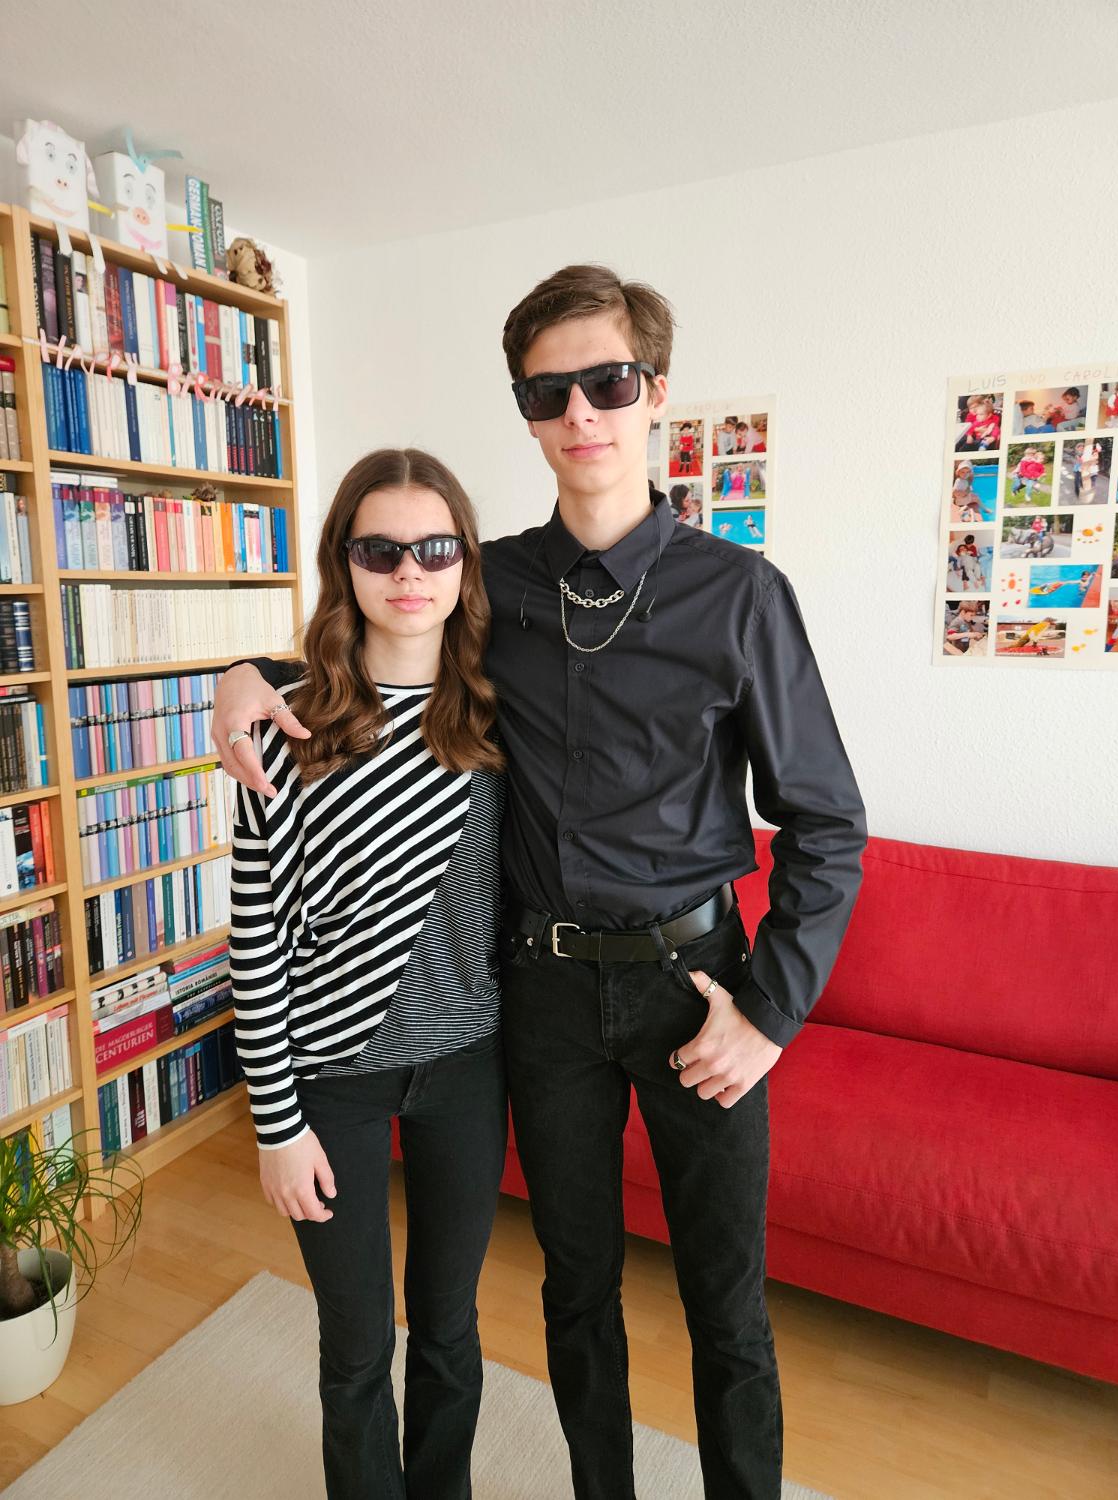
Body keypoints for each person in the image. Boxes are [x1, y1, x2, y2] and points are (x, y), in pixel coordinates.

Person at [215, 264, 867, 1500]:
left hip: (697, 990)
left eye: (608, 383)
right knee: (576, 1291)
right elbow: (375, 632)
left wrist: (771, 1010)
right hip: (545, 998)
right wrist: (244, 676)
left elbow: (828, 822)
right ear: (524, 410)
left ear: (654, 393)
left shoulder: (740, 595)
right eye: (548, 390)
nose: (581, 413)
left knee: (727, 1305)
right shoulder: (492, 583)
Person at [228, 448, 509, 1500]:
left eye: (434, 548)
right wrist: (274, 1125)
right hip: (328, 1082)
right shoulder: (287, 725)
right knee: (355, 1347)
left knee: (448, 1327)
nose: (408, 572)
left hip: (468, 1069)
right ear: (342, 562)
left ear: (464, 561)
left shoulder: (500, 711)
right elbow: (255, 934)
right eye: (379, 549)